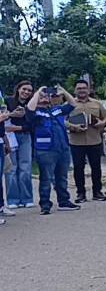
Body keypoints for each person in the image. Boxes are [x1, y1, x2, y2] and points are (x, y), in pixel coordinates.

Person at [26, 85, 81, 214]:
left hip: (62, 148)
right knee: (46, 178)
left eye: (47, 96)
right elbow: (29, 108)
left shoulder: (56, 110)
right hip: (45, 150)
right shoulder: (36, 113)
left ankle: (64, 201)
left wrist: (64, 91)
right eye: (42, 96)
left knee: (62, 177)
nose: (45, 98)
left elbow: (73, 104)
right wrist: (38, 92)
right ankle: (45, 204)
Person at [67, 79, 106, 203]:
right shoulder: (69, 105)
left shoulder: (97, 104)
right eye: (79, 88)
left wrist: (102, 123)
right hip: (76, 141)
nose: (82, 90)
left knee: (96, 168)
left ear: (89, 90)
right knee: (78, 168)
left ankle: (97, 192)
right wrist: (73, 126)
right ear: (75, 90)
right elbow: (62, 120)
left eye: (84, 88)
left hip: (94, 140)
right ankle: (81, 193)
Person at [5, 81, 35, 209]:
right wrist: (12, 115)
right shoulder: (8, 101)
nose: (26, 92)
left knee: (25, 167)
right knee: (12, 168)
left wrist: (19, 127)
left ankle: (27, 198)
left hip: (25, 136)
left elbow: (33, 124)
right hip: (10, 137)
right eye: (24, 89)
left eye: (29, 90)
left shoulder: (31, 104)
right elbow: (3, 117)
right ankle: (12, 199)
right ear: (18, 89)